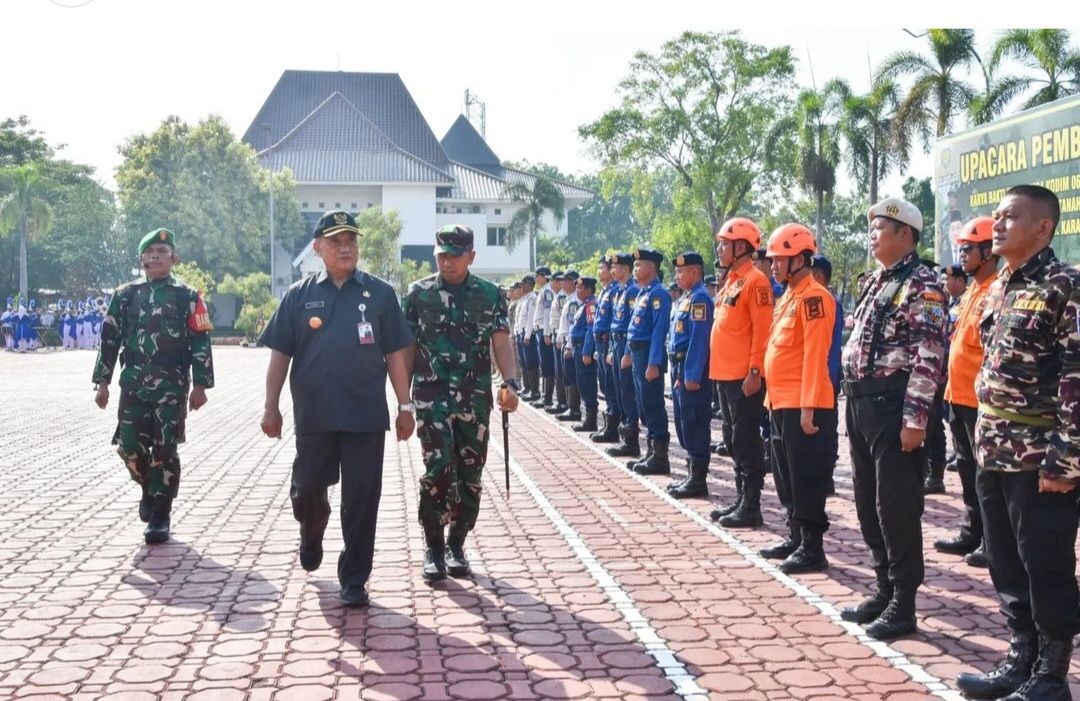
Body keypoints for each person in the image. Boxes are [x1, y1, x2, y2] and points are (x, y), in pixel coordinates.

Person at [955, 186, 1080, 701]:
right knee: (1004, 560)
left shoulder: (1064, 285)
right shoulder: (1001, 284)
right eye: (996, 217)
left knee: (1045, 562)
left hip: (1040, 456)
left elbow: (1076, 375)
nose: (998, 225)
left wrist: (1065, 458)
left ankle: (1051, 675)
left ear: (1043, 227)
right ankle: (1020, 657)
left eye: (1010, 217)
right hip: (994, 450)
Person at [259, 210, 414, 608]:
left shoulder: (380, 295)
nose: (345, 247)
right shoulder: (298, 295)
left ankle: (354, 579)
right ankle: (311, 530)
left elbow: (397, 352)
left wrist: (404, 404)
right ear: (318, 248)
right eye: (335, 241)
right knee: (308, 488)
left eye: (351, 240)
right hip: (314, 415)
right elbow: (280, 354)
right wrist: (270, 406)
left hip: (364, 415)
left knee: (362, 498)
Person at [840, 197, 946, 640]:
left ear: (906, 234)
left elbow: (929, 354)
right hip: (862, 405)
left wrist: (917, 418)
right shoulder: (878, 281)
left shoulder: (922, 284)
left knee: (897, 507)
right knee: (867, 502)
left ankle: (904, 602)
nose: (873, 233)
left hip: (894, 408)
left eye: (880, 226)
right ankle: (884, 586)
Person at [401, 224, 520, 583]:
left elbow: (501, 343)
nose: (447, 262)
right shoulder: (417, 294)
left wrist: (510, 383)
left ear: (471, 256)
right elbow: (406, 348)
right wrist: (403, 400)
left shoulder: (490, 295)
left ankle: (456, 544)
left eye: (454, 255)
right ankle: (433, 547)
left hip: (475, 398)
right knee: (439, 469)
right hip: (431, 398)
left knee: (470, 475)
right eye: (441, 255)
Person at [92, 227, 214, 545]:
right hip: (133, 384)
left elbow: (201, 340)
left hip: (171, 386)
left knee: (165, 449)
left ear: (174, 257)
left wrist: (201, 385)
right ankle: (149, 486)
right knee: (128, 446)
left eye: (163, 251)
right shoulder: (124, 295)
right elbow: (109, 339)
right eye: (150, 252)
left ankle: (160, 513)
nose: (156, 256)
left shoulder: (187, 296)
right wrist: (101, 382)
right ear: (141, 258)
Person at [760, 224, 837, 574]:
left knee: (806, 476)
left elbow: (814, 355)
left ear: (801, 259)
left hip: (805, 404)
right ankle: (795, 535)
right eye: (773, 259)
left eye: (780, 259)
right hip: (780, 402)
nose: (773, 265)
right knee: (785, 474)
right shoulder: (788, 296)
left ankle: (812, 546)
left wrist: (808, 406)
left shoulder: (814, 297)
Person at [936, 217, 997, 570]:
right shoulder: (973, 289)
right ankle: (973, 531)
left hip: (979, 400)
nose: (962, 255)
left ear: (988, 252)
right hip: (957, 396)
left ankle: (992, 540)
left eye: (968, 248)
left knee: (985, 475)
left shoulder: (995, 290)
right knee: (965, 469)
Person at [708, 218, 774, 528]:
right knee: (732, 438)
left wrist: (755, 370)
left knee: (746, 440)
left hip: (743, 376)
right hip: (724, 373)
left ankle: (752, 504)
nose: (720, 249)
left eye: (725, 243)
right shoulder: (732, 279)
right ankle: (740, 497)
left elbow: (762, 331)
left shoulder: (755, 281)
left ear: (742, 247)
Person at [666, 252, 714, 499]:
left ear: (695, 272)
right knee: (685, 423)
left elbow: (699, 340)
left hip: (692, 370)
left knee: (695, 422)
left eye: (682, 271)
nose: (677, 275)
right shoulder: (687, 298)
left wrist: (692, 374)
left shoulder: (701, 300)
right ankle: (691, 474)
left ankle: (698, 480)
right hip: (680, 368)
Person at [625, 248, 672, 475]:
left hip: (647, 354)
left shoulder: (658, 294)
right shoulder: (643, 293)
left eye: (638, 265)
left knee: (653, 404)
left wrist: (653, 363)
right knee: (643, 403)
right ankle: (651, 451)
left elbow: (658, 331)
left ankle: (660, 456)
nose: (635, 269)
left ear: (652, 267)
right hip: (637, 353)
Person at [809, 254, 843, 496]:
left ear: (819, 276)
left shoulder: (829, 301)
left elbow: (830, 348)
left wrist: (828, 381)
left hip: (826, 378)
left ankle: (826, 476)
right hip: (817, 378)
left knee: (826, 430)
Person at [606, 253, 643, 460]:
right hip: (617, 342)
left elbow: (632, 325)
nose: (613, 270)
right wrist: (612, 349)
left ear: (626, 269)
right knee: (620, 391)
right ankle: (624, 435)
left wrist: (627, 352)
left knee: (628, 392)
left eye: (616, 267)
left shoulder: (632, 291)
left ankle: (631, 441)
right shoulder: (620, 291)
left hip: (626, 344)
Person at [591, 256, 621, 443]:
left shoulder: (616, 291)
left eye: (602, 268)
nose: (599, 271)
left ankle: (613, 427)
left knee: (611, 385)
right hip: (600, 343)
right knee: (605, 384)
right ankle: (608, 424)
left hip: (608, 342)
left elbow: (614, 322)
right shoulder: (605, 291)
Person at [570, 276, 599, 433]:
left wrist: (587, 351)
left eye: (581, 288)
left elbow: (590, 329)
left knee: (587, 384)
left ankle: (591, 421)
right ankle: (588, 419)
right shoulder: (584, 305)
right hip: (578, 348)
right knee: (581, 382)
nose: (577, 290)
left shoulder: (591, 305)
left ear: (588, 290)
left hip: (583, 349)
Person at [555, 271, 582, 422]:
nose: (563, 283)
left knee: (571, 376)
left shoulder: (574, 301)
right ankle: (569, 407)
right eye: (562, 281)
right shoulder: (568, 299)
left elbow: (573, 325)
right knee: (566, 375)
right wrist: (560, 338)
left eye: (566, 280)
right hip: (564, 340)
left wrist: (569, 346)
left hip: (570, 342)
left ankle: (574, 409)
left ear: (573, 282)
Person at [529, 266, 557, 408]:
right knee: (544, 364)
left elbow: (547, 313)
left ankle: (547, 398)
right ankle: (545, 396)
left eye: (538, 275)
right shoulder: (543, 290)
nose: (536, 278)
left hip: (543, 331)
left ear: (544, 276)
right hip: (540, 330)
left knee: (547, 364)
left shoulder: (547, 291)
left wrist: (546, 332)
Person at [546, 272, 568, 414]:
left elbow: (562, 319)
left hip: (560, 336)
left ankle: (563, 403)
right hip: (556, 334)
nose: (550, 284)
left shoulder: (561, 296)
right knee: (558, 370)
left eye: (552, 281)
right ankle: (560, 402)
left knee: (561, 371)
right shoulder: (557, 295)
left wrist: (559, 337)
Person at [517, 275, 539, 400]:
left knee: (531, 363)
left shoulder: (532, 299)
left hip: (527, 334)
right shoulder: (525, 299)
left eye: (524, 283)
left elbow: (531, 318)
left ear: (530, 284)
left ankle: (534, 391)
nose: (522, 286)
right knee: (524, 362)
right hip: (522, 333)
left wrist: (527, 335)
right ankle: (527, 388)